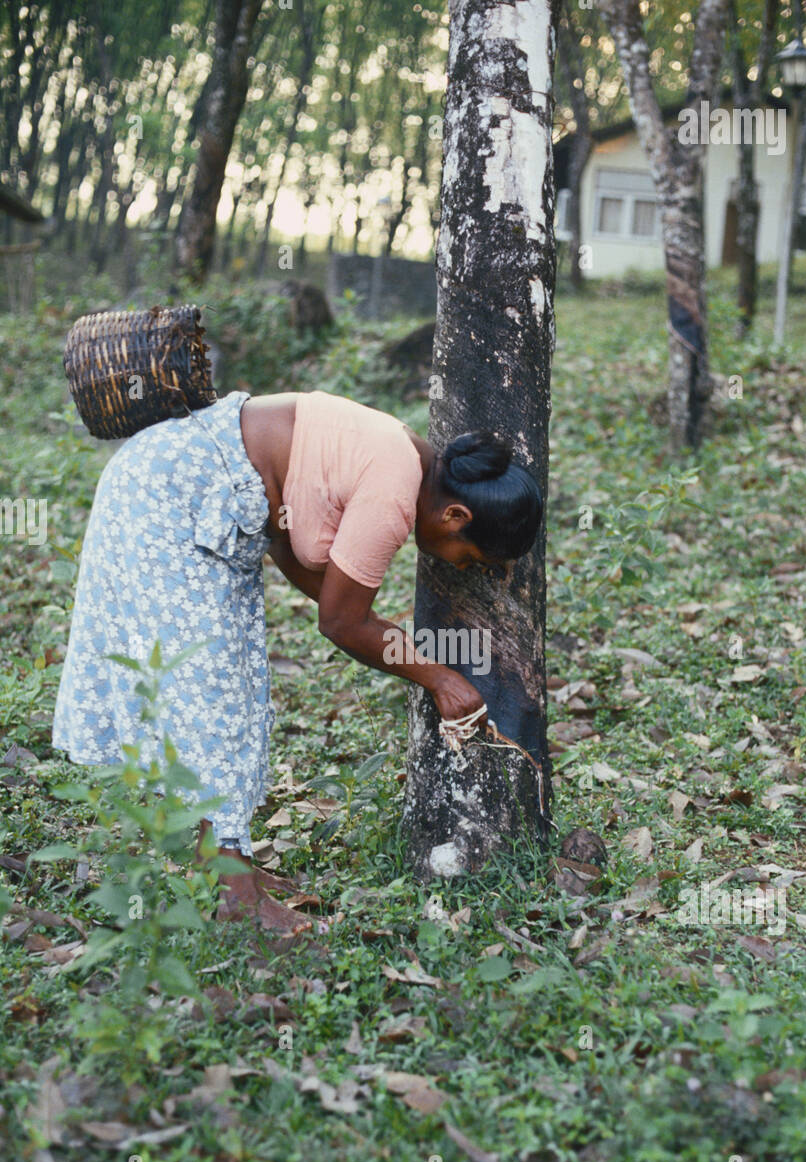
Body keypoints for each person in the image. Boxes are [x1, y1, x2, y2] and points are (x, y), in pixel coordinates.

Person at [52, 388, 543, 929]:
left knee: (227, 689)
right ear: (455, 514)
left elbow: (294, 551)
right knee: (209, 695)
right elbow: (339, 623)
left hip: (175, 478)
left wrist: (367, 623)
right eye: (470, 557)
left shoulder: (410, 455)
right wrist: (437, 677)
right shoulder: (393, 494)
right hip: (171, 494)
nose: (464, 568)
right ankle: (235, 893)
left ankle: (228, 866)